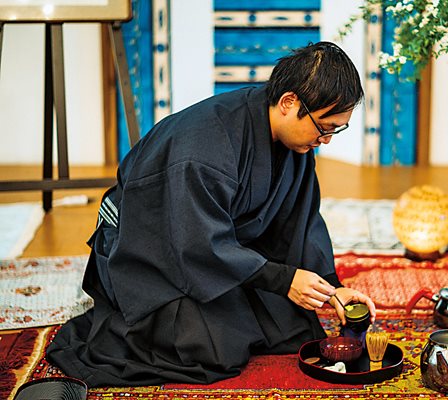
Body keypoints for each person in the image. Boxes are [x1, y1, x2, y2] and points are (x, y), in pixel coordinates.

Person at [47, 41, 376, 387]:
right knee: (216, 350)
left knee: (294, 329)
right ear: (288, 103)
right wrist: (281, 279)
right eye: (324, 127)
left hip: (218, 252)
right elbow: (194, 240)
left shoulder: (296, 140)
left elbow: (299, 220)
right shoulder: (204, 147)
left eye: (336, 130)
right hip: (150, 254)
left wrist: (332, 288)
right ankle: (122, 322)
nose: (327, 140)